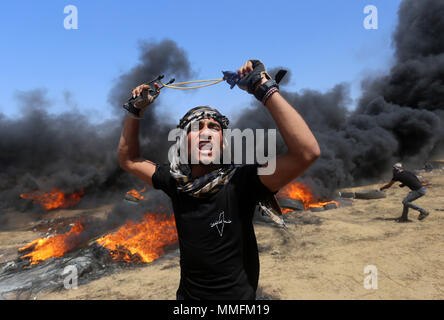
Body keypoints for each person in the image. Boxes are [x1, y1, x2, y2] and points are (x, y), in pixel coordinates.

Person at [118, 59, 320, 300]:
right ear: (183, 142)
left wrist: (263, 88)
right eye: (196, 127)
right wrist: (135, 110)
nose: (205, 132)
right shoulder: (175, 181)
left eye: (214, 127)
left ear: (223, 142)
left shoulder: (241, 182)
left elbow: (306, 153)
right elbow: (128, 159)